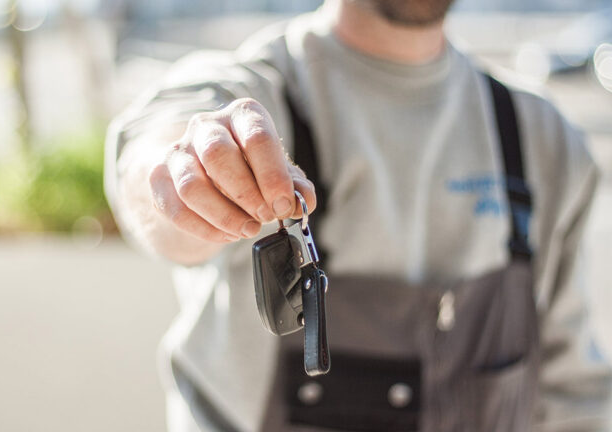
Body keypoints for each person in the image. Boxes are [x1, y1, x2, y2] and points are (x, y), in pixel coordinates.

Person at [104, 0, 612, 430]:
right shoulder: (256, 89)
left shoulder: (543, 139)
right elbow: (156, 164)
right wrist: (193, 175)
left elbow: (570, 392)